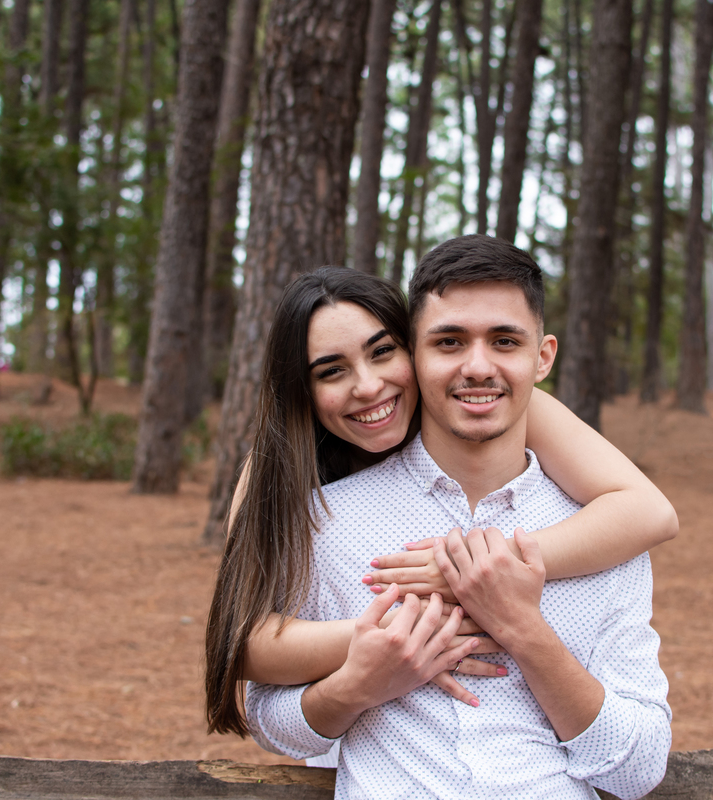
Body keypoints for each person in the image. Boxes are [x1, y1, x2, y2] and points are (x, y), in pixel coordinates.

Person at [243, 235, 671, 799]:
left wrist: (523, 629)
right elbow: (263, 712)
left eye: (504, 341)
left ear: (542, 357)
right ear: (416, 359)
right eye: (448, 342)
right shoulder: (323, 520)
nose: (477, 366)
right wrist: (356, 685)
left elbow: (639, 770)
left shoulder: (607, 535)